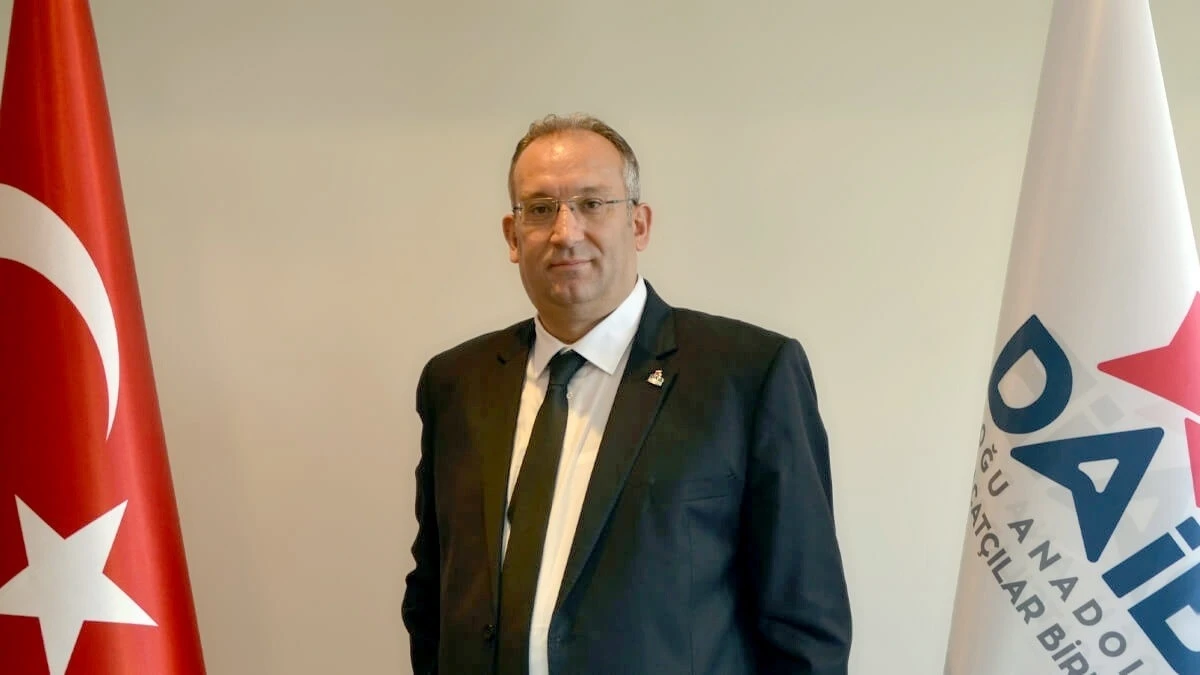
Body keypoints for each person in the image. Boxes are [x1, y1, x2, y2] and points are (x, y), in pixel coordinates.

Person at [401, 113, 852, 675]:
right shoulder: (456, 384)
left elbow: (805, 624)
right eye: (540, 209)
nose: (565, 232)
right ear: (513, 237)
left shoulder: (747, 376)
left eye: (592, 203)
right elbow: (432, 596)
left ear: (638, 225)